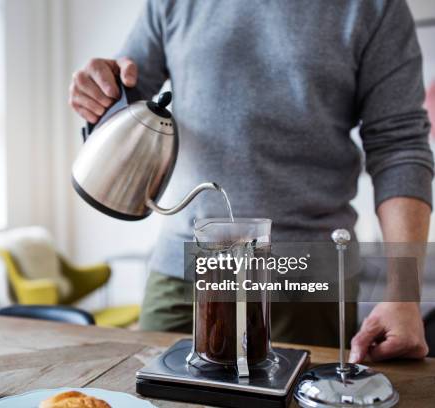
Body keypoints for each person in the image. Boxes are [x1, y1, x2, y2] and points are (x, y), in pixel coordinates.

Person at [68, 0, 432, 363]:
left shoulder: (376, 7)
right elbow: (127, 95)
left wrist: (404, 293)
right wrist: (100, 93)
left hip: (303, 278)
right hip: (182, 267)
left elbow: (399, 146)